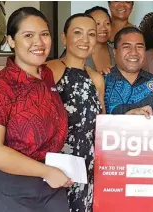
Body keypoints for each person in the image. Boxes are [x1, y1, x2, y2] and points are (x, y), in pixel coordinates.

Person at [0, 7, 72, 211]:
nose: (39, 42)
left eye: (44, 34)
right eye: (28, 35)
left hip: (49, 187)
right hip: (8, 190)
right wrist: (46, 172)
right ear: (11, 40)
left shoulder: (46, 76)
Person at [45, 13, 106, 212]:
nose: (84, 40)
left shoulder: (96, 78)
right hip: (54, 167)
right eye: (77, 32)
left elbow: (102, 124)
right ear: (64, 37)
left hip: (86, 166)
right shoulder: (49, 70)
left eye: (91, 34)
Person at [104, 27, 153, 117]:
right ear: (115, 52)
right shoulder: (101, 81)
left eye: (139, 47)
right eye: (127, 47)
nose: (134, 52)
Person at [85, 6, 115, 72]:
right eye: (97, 24)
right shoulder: (79, 53)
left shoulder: (117, 52)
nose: (103, 28)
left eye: (107, 23)